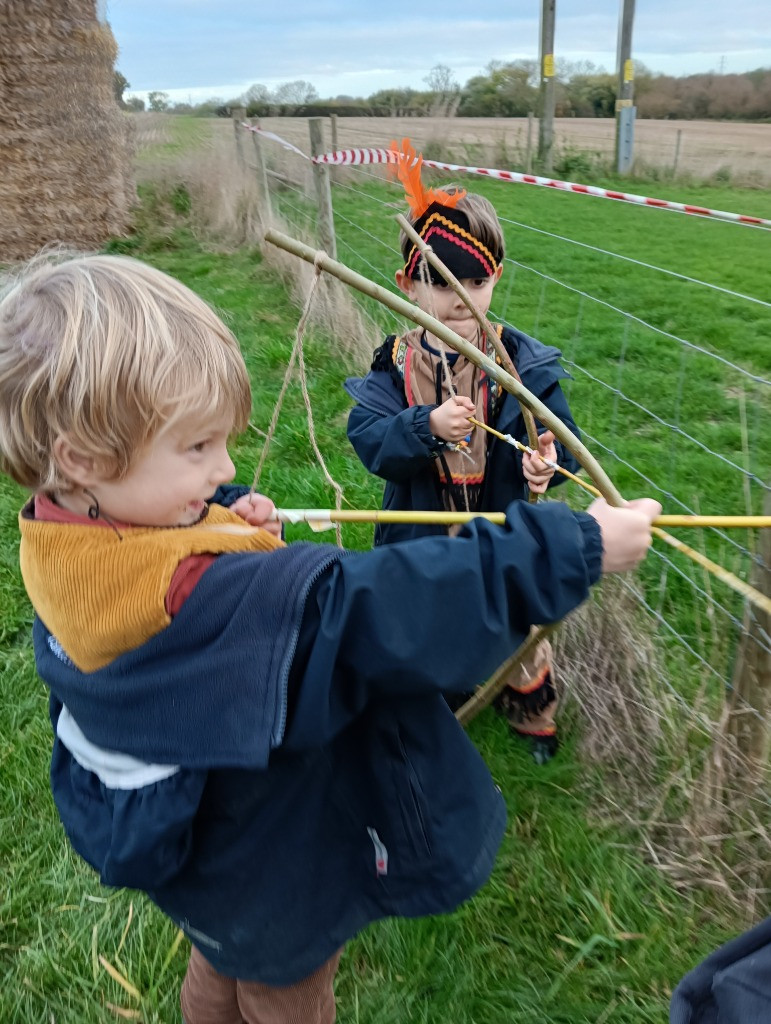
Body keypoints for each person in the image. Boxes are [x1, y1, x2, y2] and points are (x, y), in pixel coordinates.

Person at [0, 251, 659, 1024]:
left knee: (222, 955)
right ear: (82, 459)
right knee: (289, 993)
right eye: (198, 449)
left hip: (199, 849)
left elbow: (152, 529)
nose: (228, 465)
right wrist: (569, 550)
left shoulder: (64, 540)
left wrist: (216, 511)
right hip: (269, 854)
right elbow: (378, 610)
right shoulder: (208, 600)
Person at [346, 140, 583, 763]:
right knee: (429, 622)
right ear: (409, 284)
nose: (460, 298)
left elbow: (564, 443)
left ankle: (533, 717)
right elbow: (369, 438)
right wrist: (425, 425)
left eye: (476, 281)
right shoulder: (395, 366)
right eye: (439, 280)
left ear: (495, 279)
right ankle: (439, 704)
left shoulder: (522, 364)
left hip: (502, 523)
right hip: (423, 533)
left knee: (518, 628)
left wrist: (547, 462)